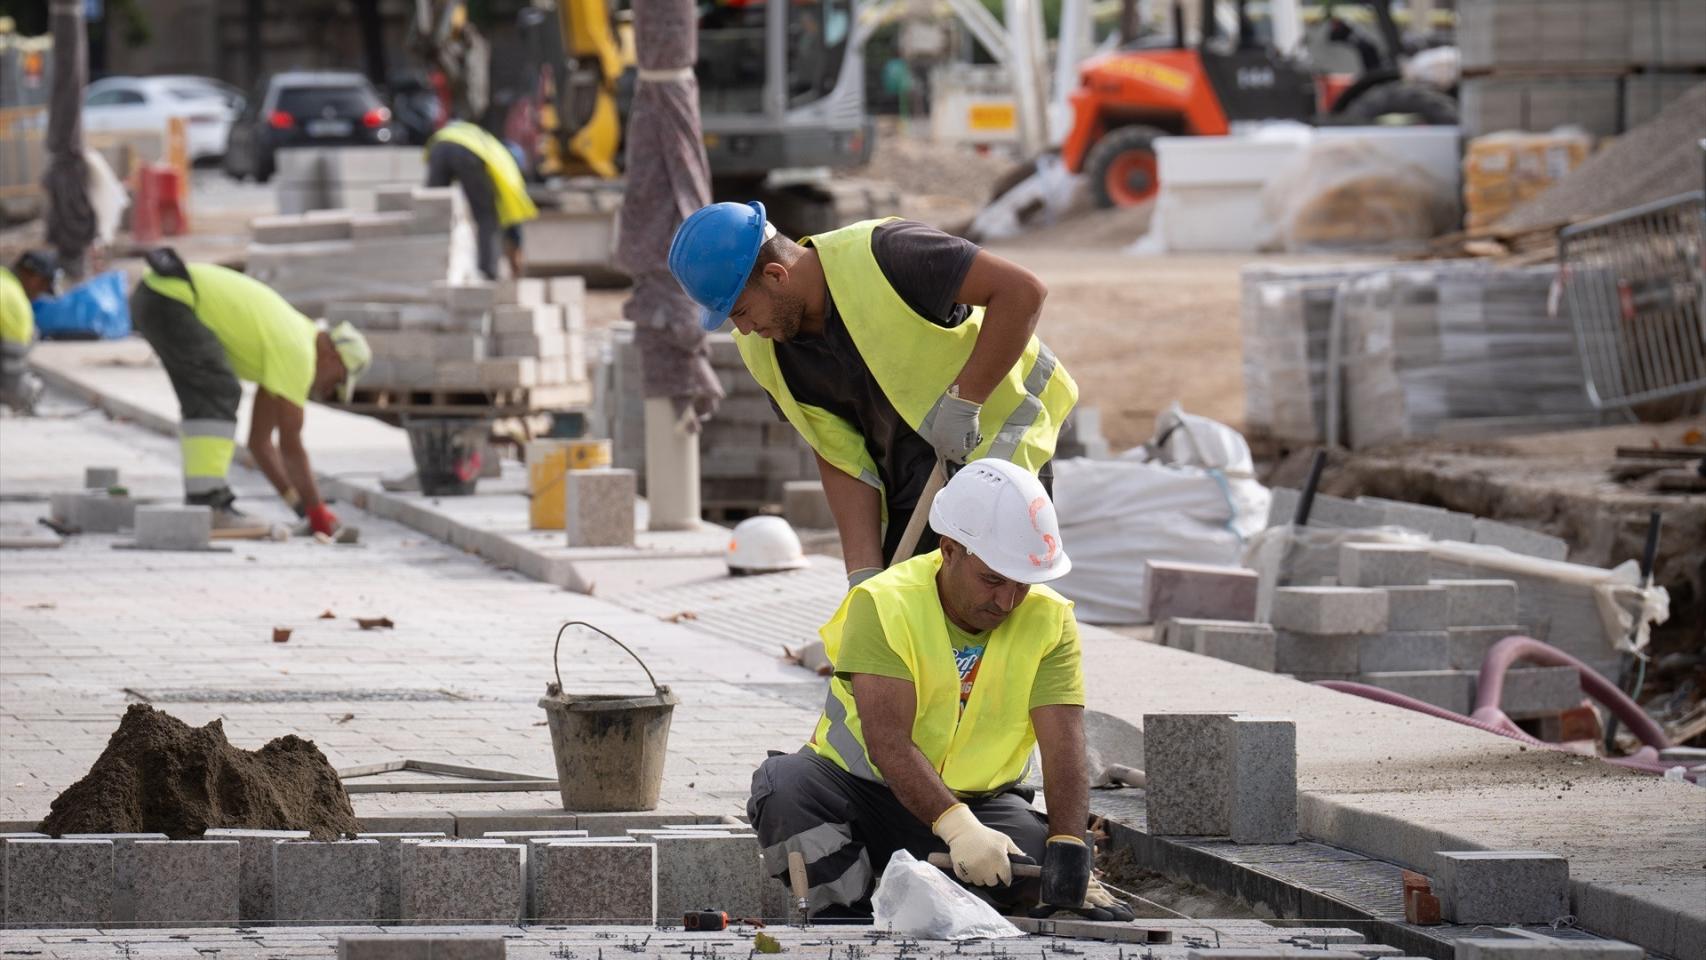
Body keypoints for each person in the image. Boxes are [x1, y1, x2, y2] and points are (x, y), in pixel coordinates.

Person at [747, 458, 1133, 922]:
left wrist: (1069, 849)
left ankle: (944, 900)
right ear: (950, 550)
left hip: (981, 804)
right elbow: (888, 742)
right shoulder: (884, 604)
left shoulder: (1051, 619)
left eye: (1023, 584)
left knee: (1033, 863)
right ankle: (847, 913)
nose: (1007, 601)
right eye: (992, 579)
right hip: (864, 796)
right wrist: (957, 829)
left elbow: (1064, 744)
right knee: (784, 787)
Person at [668, 202, 1077, 587]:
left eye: (740, 311)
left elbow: (1023, 291)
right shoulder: (767, 348)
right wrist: (862, 572)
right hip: (910, 490)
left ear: (776, 275)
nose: (742, 329)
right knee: (906, 629)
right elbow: (839, 455)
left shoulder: (888, 254)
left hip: (998, 460)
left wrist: (966, 400)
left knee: (991, 613)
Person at [128, 249, 371, 534]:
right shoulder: (299, 353)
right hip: (172, 299)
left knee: (207, 393)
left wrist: (301, 508)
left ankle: (203, 504)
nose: (330, 389)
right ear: (332, 356)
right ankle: (209, 503)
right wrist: (318, 510)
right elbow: (291, 446)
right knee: (219, 390)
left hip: (157, 294)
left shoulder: (290, 344)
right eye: (338, 380)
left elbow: (261, 444)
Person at [425, 119, 538, 280]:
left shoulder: (489, 145)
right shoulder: (507, 166)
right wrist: (516, 258)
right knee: (486, 216)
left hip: (438, 145)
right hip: (466, 152)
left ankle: (429, 264)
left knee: (431, 209)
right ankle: (489, 272)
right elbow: (513, 222)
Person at [0, 251, 53, 413]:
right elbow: (11, 369)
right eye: (43, 287)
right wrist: (23, 396)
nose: (39, 295)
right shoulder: (17, 304)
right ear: (34, 278)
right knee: (31, 335)